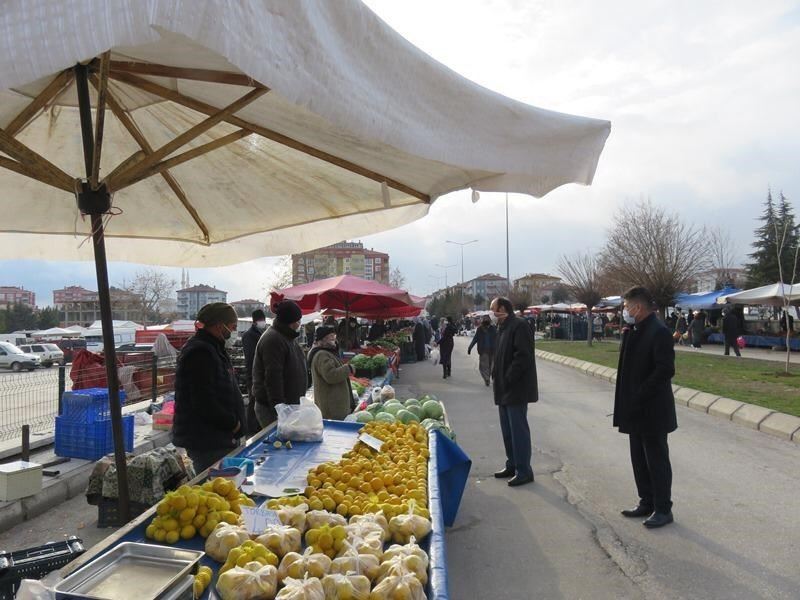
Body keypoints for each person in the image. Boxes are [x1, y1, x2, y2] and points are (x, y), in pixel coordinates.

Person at [615, 286, 677, 529]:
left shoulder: (658, 331)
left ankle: (663, 508)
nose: (625, 311)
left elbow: (665, 369)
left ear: (637, 307)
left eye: (626, 306)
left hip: (652, 409)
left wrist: (640, 394)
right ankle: (646, 501)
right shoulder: (636, 329)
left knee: (656, 460)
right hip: (635, 408)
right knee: (639, 458)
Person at [172, 302, 245, 473]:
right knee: (216, 489)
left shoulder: (214, 348)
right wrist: (232, 424)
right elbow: (204, 401)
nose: (233, 333)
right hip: (207, 440)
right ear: (220, 326)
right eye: (232, 327)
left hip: (219, 437)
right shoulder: (200, 353)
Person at [490, 297, 537, 487]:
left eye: (493, 309)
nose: (491, 313)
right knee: (507, 431)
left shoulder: (519, 325)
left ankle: (524, 470)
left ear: (502, 309)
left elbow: (523, 356)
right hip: (502, 388)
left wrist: (509, 377)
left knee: (518, 431)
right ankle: (512, 464)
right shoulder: (502, 328)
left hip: (515, 388)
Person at [252, 300, 307, 428]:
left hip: (289, 407)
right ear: (290, 322)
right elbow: (273, 378)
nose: (299, 323)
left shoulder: (288, 336)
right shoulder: (273, 339)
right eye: (298, 321)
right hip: (273, 410)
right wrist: (280, 410)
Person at [308, 326, 354, 420]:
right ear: (322, 339)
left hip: (333, 404)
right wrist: (348, 368)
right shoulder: (322, 354)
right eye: (330, 336)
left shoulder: (327, 352)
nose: (334, 338)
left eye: (334, 335)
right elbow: (331, 376)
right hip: (332, 407)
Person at [241, 309, 267, 435]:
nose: (263, 322)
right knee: (253, 400)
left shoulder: (263, 333)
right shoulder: (249, 335)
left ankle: (256, 425)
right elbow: (251, 358)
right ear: (255, 321)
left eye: (264, 320)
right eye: (261, 320)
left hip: (261, 373)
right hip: (252, 372)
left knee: (259, 398)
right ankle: (250, 428)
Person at [467, 316, 497, 386]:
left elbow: (475, 339)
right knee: (488, 365)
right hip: (487, 350)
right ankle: (488, 378)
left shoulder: (491, 329)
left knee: (485, 366)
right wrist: (470, 348)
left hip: (488, 350)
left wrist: (470, 348)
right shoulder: (487, 329)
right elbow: (475, 339)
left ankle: (487, 378)